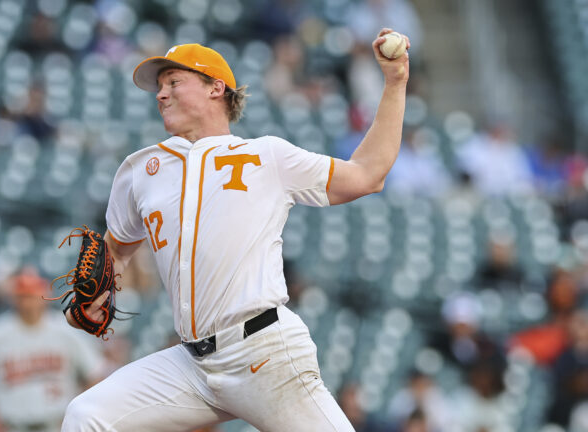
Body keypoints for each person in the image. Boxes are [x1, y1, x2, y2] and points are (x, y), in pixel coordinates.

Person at [61, 31, 409, 431]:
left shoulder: (267, 155)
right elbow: (115, 251)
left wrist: (396, 81)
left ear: (216, 88)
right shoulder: (141, 170)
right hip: (192, 365)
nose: (160, 94)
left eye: (174, 82)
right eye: (158, 87)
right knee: (87, 416)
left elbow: (368, 174)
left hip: (263, 351)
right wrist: (98, 294)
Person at [0, 269, 104, 432]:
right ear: (14, 298)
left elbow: (96, 376)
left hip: (56, 425)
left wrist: (80, 412)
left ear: (44, 297)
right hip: (12, 425)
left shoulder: (66, 332)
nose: (27, 303)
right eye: (22, 296)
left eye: (32, 296)